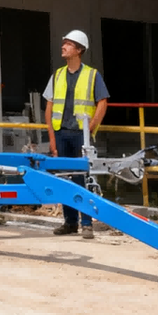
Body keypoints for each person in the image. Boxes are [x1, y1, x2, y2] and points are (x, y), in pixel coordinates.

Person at [43, 29, 109, 239]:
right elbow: (49, 108)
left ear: (79, 50)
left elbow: (102, 103)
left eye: (68, 44)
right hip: (61, 133)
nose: (63, 46)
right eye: (64, 43)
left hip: (81, 135)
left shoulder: (92, 75)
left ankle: (86, 223)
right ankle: (70, 222)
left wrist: (91, 128)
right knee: (65, 179)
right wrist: (52, 139)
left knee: (82, 178)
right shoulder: (58, 75)